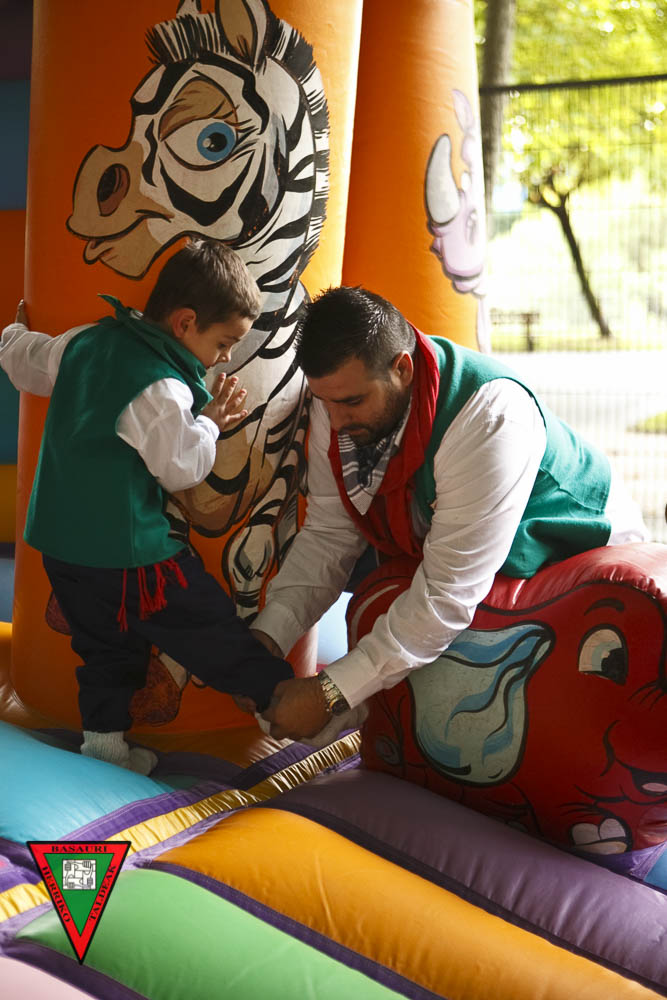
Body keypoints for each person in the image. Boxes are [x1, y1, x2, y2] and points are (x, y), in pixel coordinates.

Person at [248, 285, 649, 744]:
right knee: (386, 616)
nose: (335, 422)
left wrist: (331, 692)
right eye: (326, 402)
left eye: (353, 403)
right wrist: (269, 637)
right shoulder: (340, 398)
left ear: (402, 369)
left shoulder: (489, 418)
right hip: (476, 570)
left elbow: (446, 598)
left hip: (580, 563)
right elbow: (329, 533)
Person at [0, 238, 293, 773]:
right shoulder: (160, 387)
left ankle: (105, 745)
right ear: (185, 323)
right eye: (224, 342)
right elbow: (181, 468)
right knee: (206, 624)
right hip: (130, 558)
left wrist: (13, 333)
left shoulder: (85, 340)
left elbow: (25, 363)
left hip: (60, 548)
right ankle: (279, 700)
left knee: (106, 650)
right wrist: (211, 423)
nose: (226, 357)